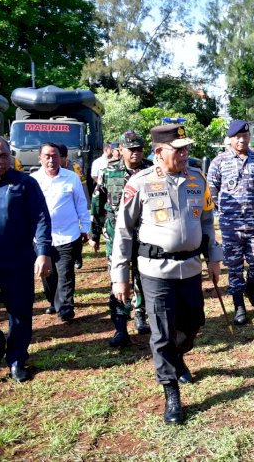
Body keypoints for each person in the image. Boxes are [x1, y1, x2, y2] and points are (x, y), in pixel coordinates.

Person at [110, 123, 223, 424]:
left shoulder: (197, 178)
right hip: (155, 270)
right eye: (179, 149)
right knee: (161, 333)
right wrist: (119, 275)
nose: (186, 153)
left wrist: (213, 257)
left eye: (187, 148)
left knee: (194, 321)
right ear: (159, 152)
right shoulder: (140, 182)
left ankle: (177, 356)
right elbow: (123, 231)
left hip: (189, 269)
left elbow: (208, 220)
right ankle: (171, 391)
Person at [90, 131, 153, 347]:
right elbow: (98, 204)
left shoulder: (151, 171)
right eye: (131, 149)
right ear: (121, 150)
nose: (136, 153)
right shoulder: (109, 172)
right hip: (117, 236)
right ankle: (120, 327)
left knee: (144, 278)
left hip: (146, 235)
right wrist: (95, 234)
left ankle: (140, 316)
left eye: (139, 148)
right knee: (119, 280)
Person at [0, 137, 52, 382]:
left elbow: (41, 218)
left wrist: (43, 252)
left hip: (18, 262)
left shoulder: (24, 184)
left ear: (11, 155)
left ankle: (17, 359)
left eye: (3, 155)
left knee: (20, 314)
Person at [207, 120, 254, 325]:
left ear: (249, 137)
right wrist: (222, 207)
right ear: (230, 139)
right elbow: (211, 188)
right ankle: (239, 306)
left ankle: (250, 288)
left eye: (244, 136)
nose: (241, 140)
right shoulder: (219, 161)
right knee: (234, 266)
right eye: (237, 137)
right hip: (230, 224)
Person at [31, 143, 91, 322]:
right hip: (42, 238)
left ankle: (66, 307)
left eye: (54, 156)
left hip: (68, 234)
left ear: (61, 157)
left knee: (65, 272)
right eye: (47, 156)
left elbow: (81, 203)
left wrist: (85, 227)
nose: (51, 160)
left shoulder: (72, 178)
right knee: (48, 274)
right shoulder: (33, 180)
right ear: (40, 158)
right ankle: (53, 301)